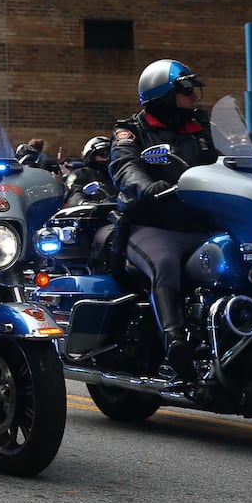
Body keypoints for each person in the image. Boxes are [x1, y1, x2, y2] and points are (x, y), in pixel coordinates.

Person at [109, 59, 219, 382]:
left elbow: (232, 156)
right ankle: (176, 342)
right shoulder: (131, 132)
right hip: (151, 224)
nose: (193, 99)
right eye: (186, 91)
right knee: (165, 261)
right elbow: (125, 167)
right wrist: (147, 187)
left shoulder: (203, 128)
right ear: (164, 95)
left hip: (201, 223)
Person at [65, 136, 117, 206]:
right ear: (91, 155)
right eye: (103, 154)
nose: (108, 158)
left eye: (110, 155)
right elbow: (74, 194)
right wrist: (83, 203)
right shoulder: (81, 174)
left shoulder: (118, 174)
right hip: (92, 214)